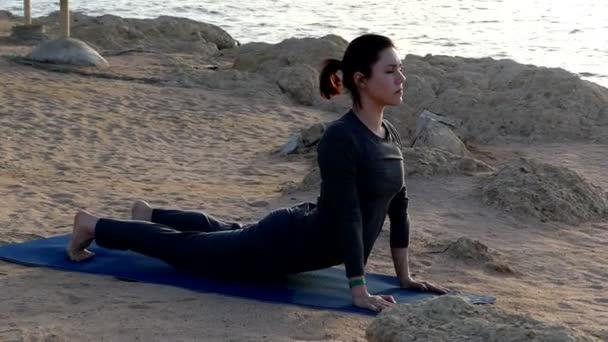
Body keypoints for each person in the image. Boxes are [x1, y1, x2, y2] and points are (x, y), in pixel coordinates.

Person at [67, 34, 448, 312]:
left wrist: (405, 277)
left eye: (401, 71)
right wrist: (358, 289)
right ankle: (91, 225)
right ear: (362, 80)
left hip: (300, 235)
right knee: (186, 249)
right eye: (392, 71)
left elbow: (399, 207)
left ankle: (151, 214)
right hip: (280, 244)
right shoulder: (341, 138)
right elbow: (349, 215)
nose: (402, 79)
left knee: (229, 231)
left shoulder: (388, 134)